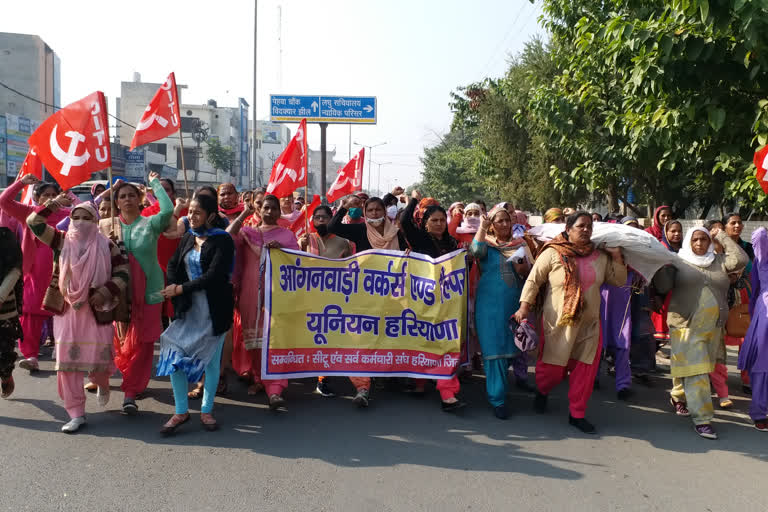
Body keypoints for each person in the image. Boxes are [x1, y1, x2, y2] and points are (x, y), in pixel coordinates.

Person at [515, 212, 627, 434]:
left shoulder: (600, 256)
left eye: (589, 226)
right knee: (553, 370)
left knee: (585, 371)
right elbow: (534, 279)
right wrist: (524, 307)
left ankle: (577, 414)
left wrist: (616, 258)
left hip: (590, 324)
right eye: (581, 226)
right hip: (558, 323)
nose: (585, 230)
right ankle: (543, 391)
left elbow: (618, 280)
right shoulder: (554, 252)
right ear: (568, 228)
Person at [27, 199, 129, 433]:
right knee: (68, 365)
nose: (81, 223)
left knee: (99, 363)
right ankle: (76, 412)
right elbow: (34, 222)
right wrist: (52, 204)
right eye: (76, 217)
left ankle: (102, 383)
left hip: (98, 311)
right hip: (67, 311)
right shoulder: (61, 241)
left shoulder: (108, 245)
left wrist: (104, 292)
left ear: (96, 221)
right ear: (70, 220)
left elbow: (123, 274)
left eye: (87, 218)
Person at [652, 226, 747, 439]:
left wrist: (721, 235)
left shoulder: (720, 261)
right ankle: (703, 419)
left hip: (713, 328)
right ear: (688, 241)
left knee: (691, 367)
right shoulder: (678, 261)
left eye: (703, 239)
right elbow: (663, 286)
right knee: (698, 372)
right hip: (685, 326)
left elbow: (741, 259)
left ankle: (678, 395)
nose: (699, 244)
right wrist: (665, 265)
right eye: (695, 239)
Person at [156, 194, 235, 434]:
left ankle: (206, 410)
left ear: (211, 215)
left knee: (210, 362)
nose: (191, 216)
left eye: (197, 212)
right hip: (188, 308)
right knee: (174, 354)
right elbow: (173, 264)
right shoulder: (189, 236)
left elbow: (214, 277)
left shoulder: (223, 241)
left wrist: (180, 288)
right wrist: (173, 286)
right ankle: (181, 411)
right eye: (189, 212)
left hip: (214, 309)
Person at [109, 172, 173, 415]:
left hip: (150, 290)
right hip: (120, 293)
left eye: (131, 195)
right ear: (116, 202)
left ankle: (131, 390)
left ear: (140, 199)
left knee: (145, 341)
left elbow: (167, 209)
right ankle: (127, 378)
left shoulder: (150, 224)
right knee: (122, 339)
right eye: (122, 196)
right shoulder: (108, 226)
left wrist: (155, 184)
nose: (127, 200)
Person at [299, 205, 374, 406]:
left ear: (332, 219)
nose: (321, 221)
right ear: (312, 220)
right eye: (317, 217)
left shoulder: (344, 243)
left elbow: (353, 268)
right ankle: (322, 380)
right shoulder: (306, 240)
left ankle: (362, 386)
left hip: (341, 299)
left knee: (351, 340)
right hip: (313, 300)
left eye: (325, 217)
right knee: (321, 339)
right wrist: (299, 247)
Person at [229, 194, 298, 409]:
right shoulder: (248, 232)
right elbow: (227, 236)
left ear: (279, 212)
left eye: (273, 208)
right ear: (259, 210)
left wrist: (283, 251)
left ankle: (275, 388)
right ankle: (260, 379)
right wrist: (244, 213)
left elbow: (298, 263)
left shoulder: (287, 236)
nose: (269, 212)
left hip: (277, 294)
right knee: (255, 341)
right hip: (250, 292)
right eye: (265, 208)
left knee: (275, 340)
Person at [400, 190, 465, 412]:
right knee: (422, 342)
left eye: (441, 220)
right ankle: (419, 382)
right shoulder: (419, 239)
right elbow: (403, 221)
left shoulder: (453, 243)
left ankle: (448, 393)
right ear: (425, 223)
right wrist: (414, 200)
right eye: (433, 220)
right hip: (422, 301)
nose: (438, 224)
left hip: (448, 303)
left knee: (446, 344)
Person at [0, 176, 67, 372]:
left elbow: (91, 214)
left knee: (62, 312)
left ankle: (61, 352)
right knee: (30, 314)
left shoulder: (67, 214)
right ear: (36, 198)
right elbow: (4, 200)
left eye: (54, 195)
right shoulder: (28, 212)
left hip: (61, 270)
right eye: (46, 195)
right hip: (34, 272)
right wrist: (22, 183)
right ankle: (31, 356)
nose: (50, 198)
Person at [470, 205, 530, 419]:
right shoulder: (486, 243)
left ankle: (501, 390)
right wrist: (483, 227)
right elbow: (475, 252)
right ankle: (497, 399)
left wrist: (520, 259)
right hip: (488, 303)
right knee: (493, 349)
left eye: (507, 220)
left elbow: (525, 273)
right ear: (493, 224)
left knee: (509, 347)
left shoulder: (520, 243)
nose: (505, 224)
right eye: (500, 221)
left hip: (512, 300)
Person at [739, 227, 768, 431]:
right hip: (766, 313)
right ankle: (759, 412)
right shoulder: (763, 257)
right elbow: (759, 234)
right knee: (763, 364)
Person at [722, 212, 754, 395]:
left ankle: (747, 379)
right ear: (724, 226)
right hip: (721, 297)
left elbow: (754, 271)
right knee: (717, 340)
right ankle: (717, 379)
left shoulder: (749, 248)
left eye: (739, 223)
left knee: (746, 339)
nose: (737, 226)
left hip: (745, 298)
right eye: (732, 223)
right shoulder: (717, 248)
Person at [328, 196, 406, 252]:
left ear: (384, 212)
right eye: (370, 210)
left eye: (378, 209)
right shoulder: (360, 230)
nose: (374, 213)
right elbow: (332, 227)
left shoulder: (395, 232)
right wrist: (346, 206)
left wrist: (407, 253)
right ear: (365, 213)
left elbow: (404, 253)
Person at [0, 227, 22, 398]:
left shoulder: (5, 237)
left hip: (4, 309)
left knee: (5, 355)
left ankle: (6, 374)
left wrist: (0, 296)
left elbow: (15, 270)